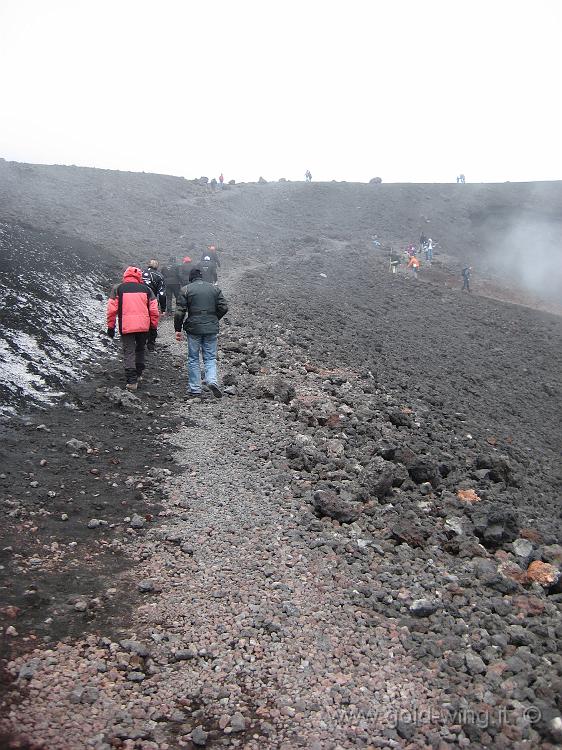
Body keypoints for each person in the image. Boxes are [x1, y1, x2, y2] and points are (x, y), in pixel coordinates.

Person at [174, 268, 229, 399]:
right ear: (201, 277)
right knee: (210, 357)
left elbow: (179, 312)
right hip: (211, 328)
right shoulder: (214, 289)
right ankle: (212, 380)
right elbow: (224, 307)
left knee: (193, 358)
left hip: (193, 328)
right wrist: (214, 318)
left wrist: (178, 329)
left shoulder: (186, 289)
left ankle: (195, 388)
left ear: (190, 278)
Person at [106, 267, 159, 390]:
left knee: (129, 351)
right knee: (140, 349)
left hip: (126, 325)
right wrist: (153, 328)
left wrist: (111, 326)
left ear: (125, 276)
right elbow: (154, 311)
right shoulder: (147, 290)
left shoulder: (118, 289)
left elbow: (111, 310)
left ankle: (132, 381)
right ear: (139, 276)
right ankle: (139, 374)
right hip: (143, 325)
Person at [142, 260, 166, 350]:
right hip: (152, 300)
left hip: (139, 300)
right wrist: (163, 308)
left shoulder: (140, 273)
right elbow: (162, 293)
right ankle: (151, 343)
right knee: (152, 321)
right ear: (157, 266)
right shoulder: (159, 276)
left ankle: (140, 341)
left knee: (141, 319)